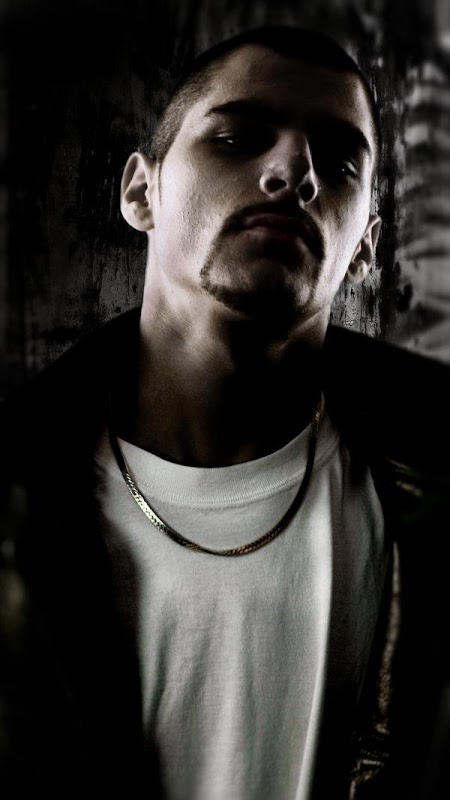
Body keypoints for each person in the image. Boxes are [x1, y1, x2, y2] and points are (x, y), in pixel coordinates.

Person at [1, 24, 449, 800]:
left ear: (366, 247)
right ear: (141, 192)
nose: (295, 170)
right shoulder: (15, 482)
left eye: (339, 161)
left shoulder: (440, 468)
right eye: (238, 138)